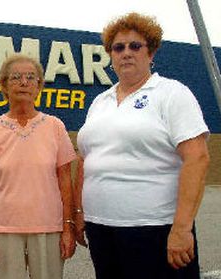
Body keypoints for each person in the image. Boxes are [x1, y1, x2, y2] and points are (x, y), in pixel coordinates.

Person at [73, 12, 210, 279]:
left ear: (151, 52)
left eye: (135, 46)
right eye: (118, 47)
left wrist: (182, 228)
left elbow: (197, 158)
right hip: (101, 228)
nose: (126, 53)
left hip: (155, 228)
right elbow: (86, 160)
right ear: (110, 55)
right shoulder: (100, 101)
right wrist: (79, 213)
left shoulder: (172, 93)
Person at [0, 54, 77, 279]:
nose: (24, 82)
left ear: (39, 86)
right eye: (16, 77)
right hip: (3, 230)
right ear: (4, 85)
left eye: (31, 77)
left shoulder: (55, 127)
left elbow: (65, 181)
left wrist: (68, 229)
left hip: (49, 229)